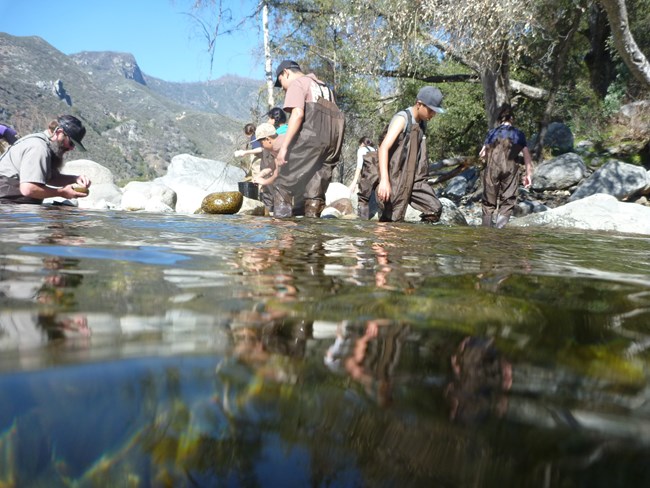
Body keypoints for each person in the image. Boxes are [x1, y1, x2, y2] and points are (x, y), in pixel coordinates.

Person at [273, 60, 345, 218]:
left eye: (281, 82)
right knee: (314, 191)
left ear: (286, 73)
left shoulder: (298, 84)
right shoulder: (326, 88)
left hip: (311, 140)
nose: (284, 88)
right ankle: (310, 238)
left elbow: (297, 114)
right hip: (333, 144)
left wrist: (284, 148)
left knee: (282, 184)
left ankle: (281, 237)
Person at [371, 86, 445, 222]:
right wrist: (384, 181)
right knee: (392, 220)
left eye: (435, 112)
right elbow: (383, 148)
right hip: (395, 179)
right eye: (431, 110)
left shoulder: (423, 124)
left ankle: (415, 241)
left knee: (434, 208)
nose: (432, 115)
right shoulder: (402, 119)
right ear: (419, 104)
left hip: (415, 181)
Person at [0, 115, 91, 204]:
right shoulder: (38, 148)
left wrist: (75, 179)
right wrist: (62, 193)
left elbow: (50, 178)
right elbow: (28, 189)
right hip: (5, 205)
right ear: (59, 133)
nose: (71, 148)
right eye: (71, 143)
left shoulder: (45, 145)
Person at [479, 105, 533, 228]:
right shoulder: (519, 134)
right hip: (510, 169)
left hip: (492, 169)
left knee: (488, 203)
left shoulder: (492, 133)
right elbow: (526, 155)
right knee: (507, 202)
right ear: (512, 119)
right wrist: (528, 174)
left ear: (500, 119)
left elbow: (482, 154)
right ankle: (500, 231)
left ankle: (486, 232)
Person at [250, 122, 284, 214]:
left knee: (282, 214)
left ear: (268, 139)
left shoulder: (279, 147)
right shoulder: (280, 141)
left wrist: (264, 182)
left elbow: (277, 175)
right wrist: (261, 174)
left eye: (261, 143)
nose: (261, 146)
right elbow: (274, 164)